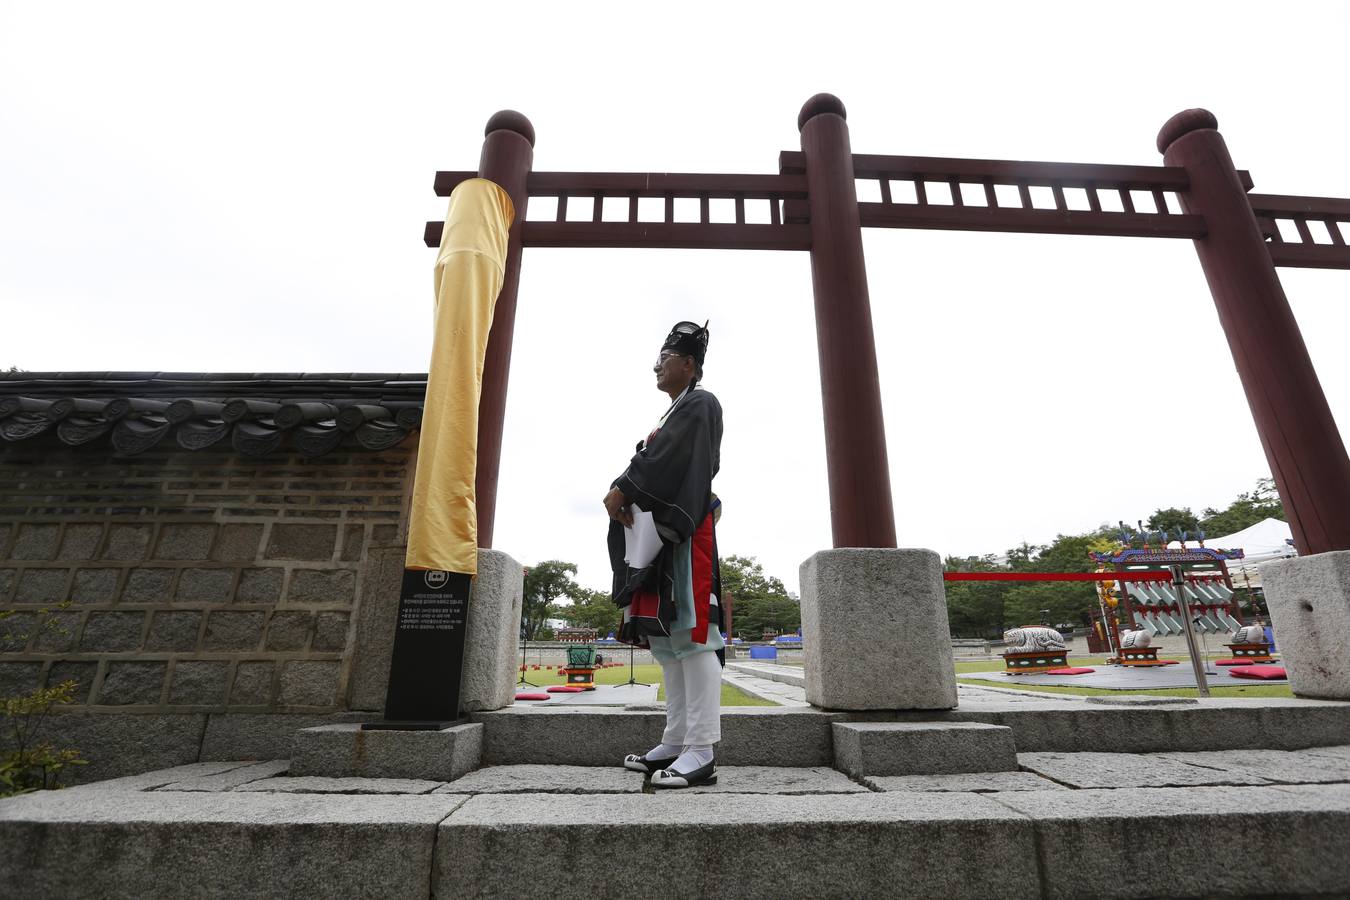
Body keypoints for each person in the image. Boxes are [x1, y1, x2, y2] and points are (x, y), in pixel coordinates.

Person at [604, 320, 724, 789]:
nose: (657, 364)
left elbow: (669, 461)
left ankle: (701, 750)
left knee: (695, 639)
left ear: (690, 364)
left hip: (685, 534)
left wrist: (624, 485)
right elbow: (657, 458)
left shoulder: (700, 403)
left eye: (666, 357)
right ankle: (675, 741)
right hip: (658, 541)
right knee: (667, 642)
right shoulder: (673, 411)